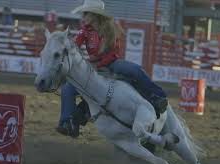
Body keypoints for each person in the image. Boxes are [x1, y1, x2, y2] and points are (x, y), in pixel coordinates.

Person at [56, 0, 168, 138]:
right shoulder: (84, 31)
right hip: (94, 66)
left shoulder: (111, 28)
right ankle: (68, 122)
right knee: (68, 88)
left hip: (111, 63)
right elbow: (74, 45)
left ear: (94, 15)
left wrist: (98, 64)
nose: (83, 16)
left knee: (134, 70)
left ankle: (157, 97)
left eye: (85, 13)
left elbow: (113, 53)